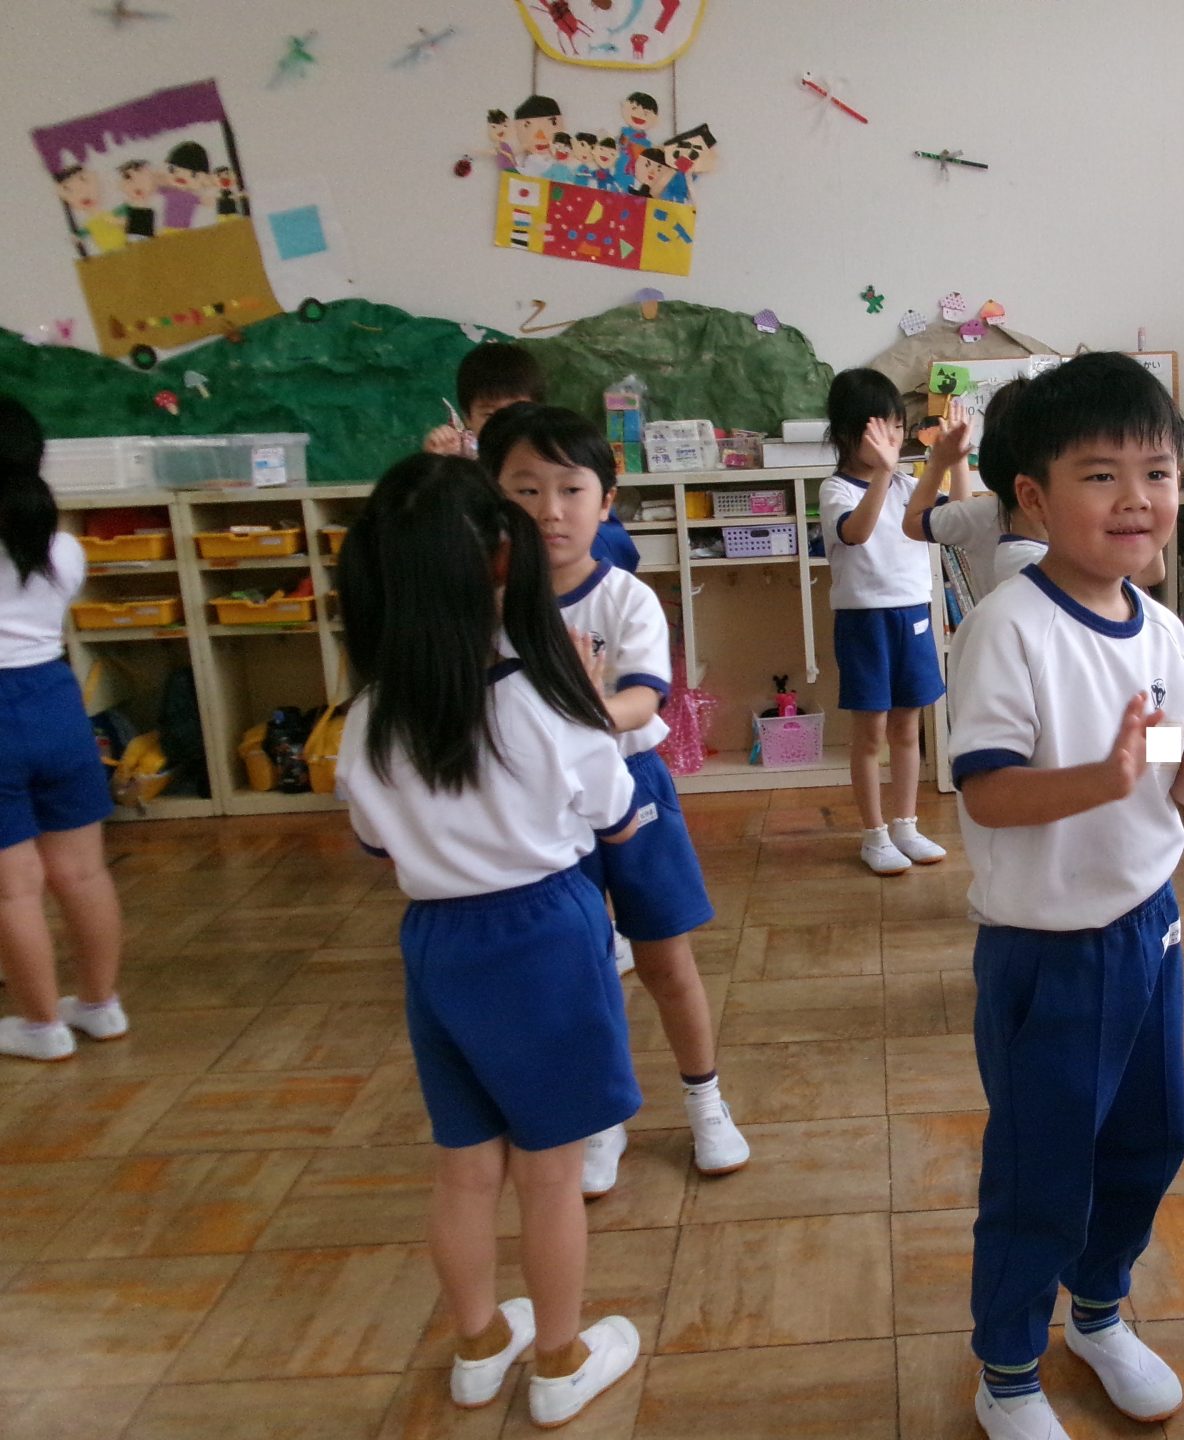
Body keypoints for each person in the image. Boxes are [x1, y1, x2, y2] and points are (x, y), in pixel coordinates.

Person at [949, 353, 1184, 1440]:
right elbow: (990, 791)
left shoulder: (1156, 632)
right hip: (1047, 949)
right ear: (1034, 497)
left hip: (1148, 931)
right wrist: (1095, 782)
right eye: (1100, 475)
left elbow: (1177, 780)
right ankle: (1009, 1368)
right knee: (1042, 1167)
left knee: (1149, 1142)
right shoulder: (1009, 627)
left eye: (1155, 473)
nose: (1137, 499)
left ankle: (1099, 1313)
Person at [334, 454, 646, 1427]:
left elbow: (377, 841)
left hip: (436, 942)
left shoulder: (368, 716)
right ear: (502, 561)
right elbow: (617, 818)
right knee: (550, 1173)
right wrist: (589, 698)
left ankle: (477, 1346)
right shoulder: (545, 700)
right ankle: (558, 1361)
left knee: (465, 1166)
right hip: (543, 935)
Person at [481, 403, 749, 1189]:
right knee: (579, 967)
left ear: (607, 500)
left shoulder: (625, 597)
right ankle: (602, 1119)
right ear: (493, 497)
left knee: (664, 959)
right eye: (526, 490)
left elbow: (643, 700)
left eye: (570, 489)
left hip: (633, 790)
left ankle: (706, 1100)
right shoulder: (487, 606)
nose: (550, 510)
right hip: (539, 806)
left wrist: (573, 707)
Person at [0, 396, 127, 1062]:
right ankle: (101, 1006)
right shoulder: (62, 549)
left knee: (13, 888)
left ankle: (41, 1026)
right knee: (83, 873)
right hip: (56, 703)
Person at [818, 368, 948, 876]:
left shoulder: (909, 484)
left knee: (907, 728)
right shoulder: (836, 489)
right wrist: (881, 475)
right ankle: (874, 834)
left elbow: (954, 515)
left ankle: (905, 826)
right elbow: (857, 532)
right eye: (878, 430)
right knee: (871, 733)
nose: (891, 439)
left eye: (896, 427)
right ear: (846, 434)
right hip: (863, 622)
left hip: (913, 614)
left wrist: (953, 461)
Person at [423, 343, 639, 573]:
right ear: (467, 418)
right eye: (490, 414)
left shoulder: (571, 470)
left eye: (518, 408)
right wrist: (435, 468)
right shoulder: (465, 470)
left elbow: (616, 555)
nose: (506, 422)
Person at [904, 381, 1048, 599]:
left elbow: (915, 521)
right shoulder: (988, 513)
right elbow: (944, 514)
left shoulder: (984, 513)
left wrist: (940, 463)